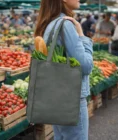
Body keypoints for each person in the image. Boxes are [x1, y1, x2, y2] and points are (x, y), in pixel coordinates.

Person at [34, 0, 93, 140]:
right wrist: (82, 36)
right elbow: (86, 66)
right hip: (72, 99)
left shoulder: (50, 24)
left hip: (57, 97)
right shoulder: (66, 25)